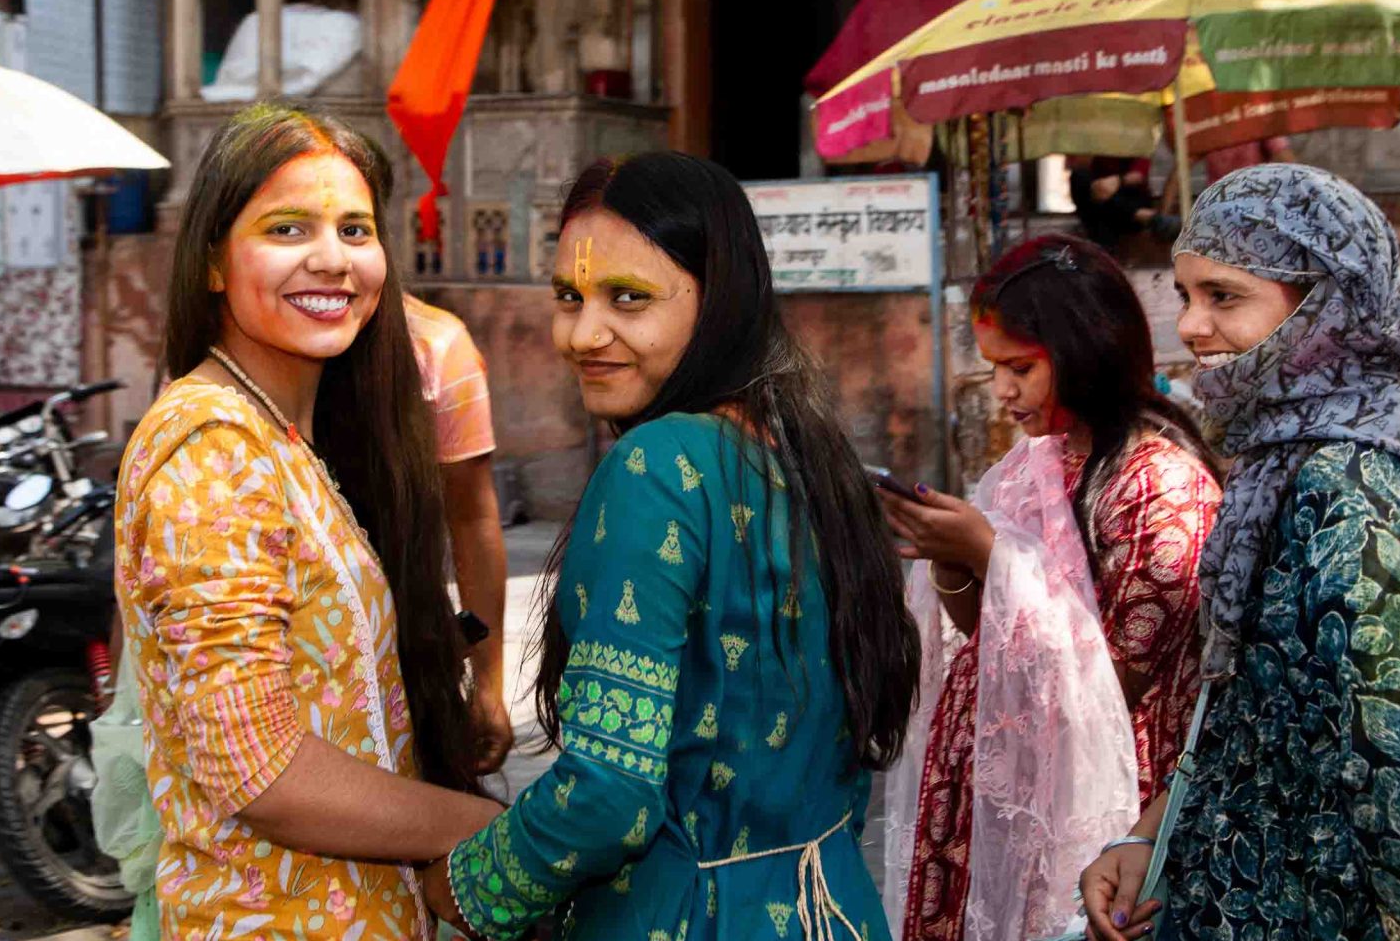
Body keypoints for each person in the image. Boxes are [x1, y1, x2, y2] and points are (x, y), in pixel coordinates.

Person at [420, 152, 921, 940]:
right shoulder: (806, 450)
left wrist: (467, 886)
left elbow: (610, 793)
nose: (584, 334)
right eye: (567, 297)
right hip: (831, 907)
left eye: (628, 297)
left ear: (718, 302)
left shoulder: (656, 467)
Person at [1079, 164, 1400, 941]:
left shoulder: (1350, 486)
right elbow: (1253, 711)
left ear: (1328, 306)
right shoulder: (1283, 454)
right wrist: (1148, 834)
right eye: (1185, 295)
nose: (1188, 326)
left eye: (1225, 296)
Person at [114, 102, 499, 939]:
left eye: (356, 231)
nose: (333, 260)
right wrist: (484, 832)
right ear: (214, 261)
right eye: (289, 229)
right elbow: (259, 771)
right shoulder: (213, 446)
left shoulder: (280, 435)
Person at [874, 235, 1221, 941]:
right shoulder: (1029, 467)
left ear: (1087, 350)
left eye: (1020, 368)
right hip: (1000, 800)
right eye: (994, 369)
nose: (1003, 391)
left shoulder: (1163, 489)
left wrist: (990, 552)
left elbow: (1107, 689)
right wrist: (953, 560)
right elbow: (987, 639)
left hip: (1108, 815)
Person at [405, 293, 514, 769]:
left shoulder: (435, 347)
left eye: (354, 230)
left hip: (407, 656)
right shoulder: (220, 358)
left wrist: (488, 684)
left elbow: (472, 518)